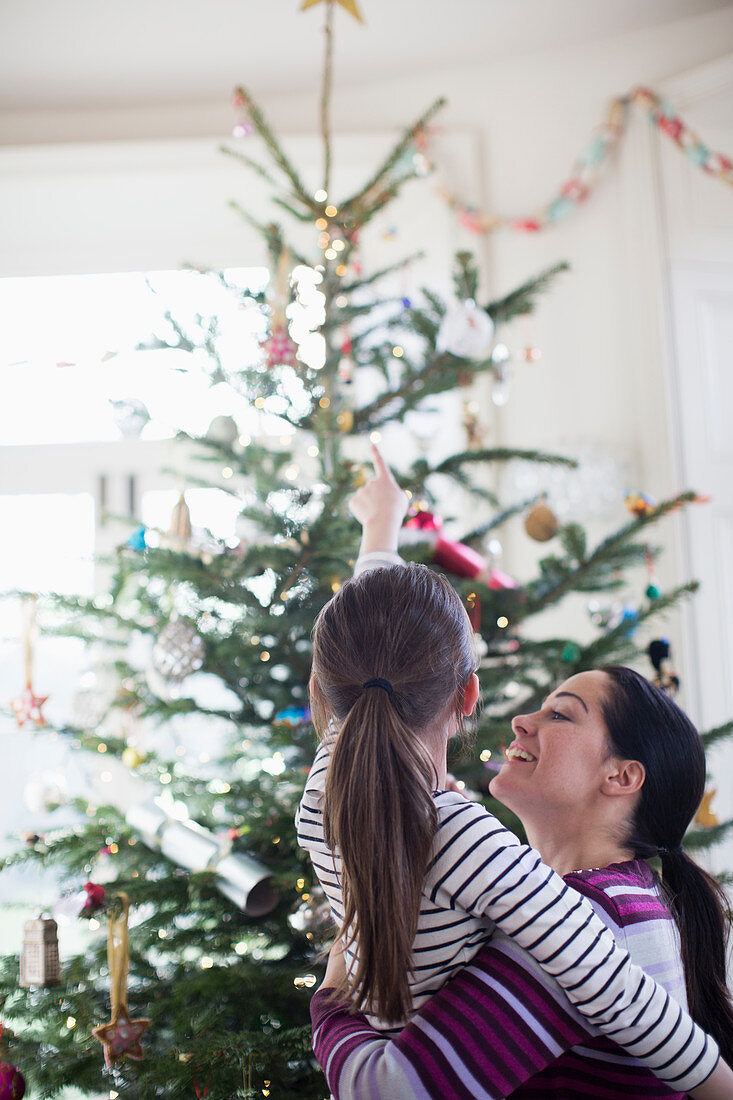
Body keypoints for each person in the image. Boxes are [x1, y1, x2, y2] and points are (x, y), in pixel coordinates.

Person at [297, 446, 733, 1098]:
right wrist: (379, 531)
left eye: (561, 714)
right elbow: (369, 659)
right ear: (465, 697)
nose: (522, 721)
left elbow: (387, 1087)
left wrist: (336, 985)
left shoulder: (600, 912)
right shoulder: (492, 855)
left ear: (620, 778)